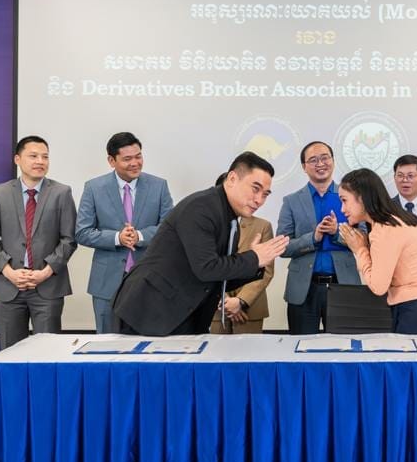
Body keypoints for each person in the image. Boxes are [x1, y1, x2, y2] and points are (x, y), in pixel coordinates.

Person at [113, 152, 290, 336]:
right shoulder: (201, 208)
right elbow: (207, 268)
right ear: (232, 179)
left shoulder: (231, 221)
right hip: (149, 311)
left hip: (183, 313)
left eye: (265, 194)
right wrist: (254, 258)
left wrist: (257, 263)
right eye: (255, 189)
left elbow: (220, 277)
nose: (259, 200)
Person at [0, 136, 78, 348]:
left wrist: (45, 272)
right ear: (17, 159)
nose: (40, 161)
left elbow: (69, 239)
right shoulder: (0, 193)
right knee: (10, 353)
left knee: (47, 353)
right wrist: (9, 272)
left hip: (47, 286)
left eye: (45, 157)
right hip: (8, 286)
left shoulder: (62, 193)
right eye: (33, 156)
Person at [75, 132, 173, 333]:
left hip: (149, 280)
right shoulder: (94, 188)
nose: (135, 163)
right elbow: (82, 232)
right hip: (106, 282)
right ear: (111, 161)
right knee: (106, 342)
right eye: (127, 159)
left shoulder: (159, 186)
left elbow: (169, 228)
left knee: (146, 340)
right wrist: (117, 238)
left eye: (138, 156)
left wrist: (140, 236)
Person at [337, 168, 417, 335]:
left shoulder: (385, 230)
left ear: (362, 198)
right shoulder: (394, 220)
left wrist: (360, 250)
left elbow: (378, 286)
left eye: (344, 200)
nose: (342, 209)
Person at [277, 141, 360, 334]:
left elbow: (363, 240)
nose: (320, 164)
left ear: (333, 161)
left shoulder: (352, 197)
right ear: (304, 166)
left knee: (344, 346)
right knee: (302, 346)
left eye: (325, 158)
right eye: (313, 160)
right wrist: (313, 238)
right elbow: (283, 246)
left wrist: (336, 232)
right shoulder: (291, 201)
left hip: (343, 285)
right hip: (304, 289)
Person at [210, 172, 275, 333]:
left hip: (250, 309)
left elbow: (266, 271)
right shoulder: (208, 224)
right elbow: (206, 265)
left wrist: (240, 301)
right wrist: (225, 300)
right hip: (216, 307)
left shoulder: (263, 226)